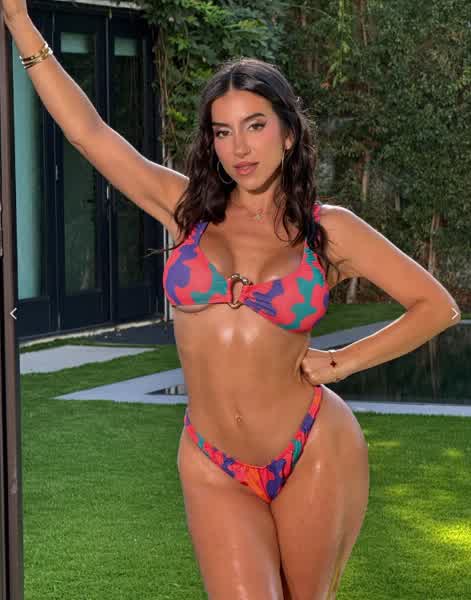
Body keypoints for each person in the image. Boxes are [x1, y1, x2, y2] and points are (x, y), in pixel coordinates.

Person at [2, 2, 462, 598]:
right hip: (211, 459)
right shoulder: (187, 210)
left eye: (255, 125)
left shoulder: (329, 230)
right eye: (223, 131)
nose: (239, 147)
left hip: (312, 447)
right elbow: (88, 134)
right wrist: (19, 19)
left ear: (288, 133)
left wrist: (340, 361)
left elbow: (436, 306)